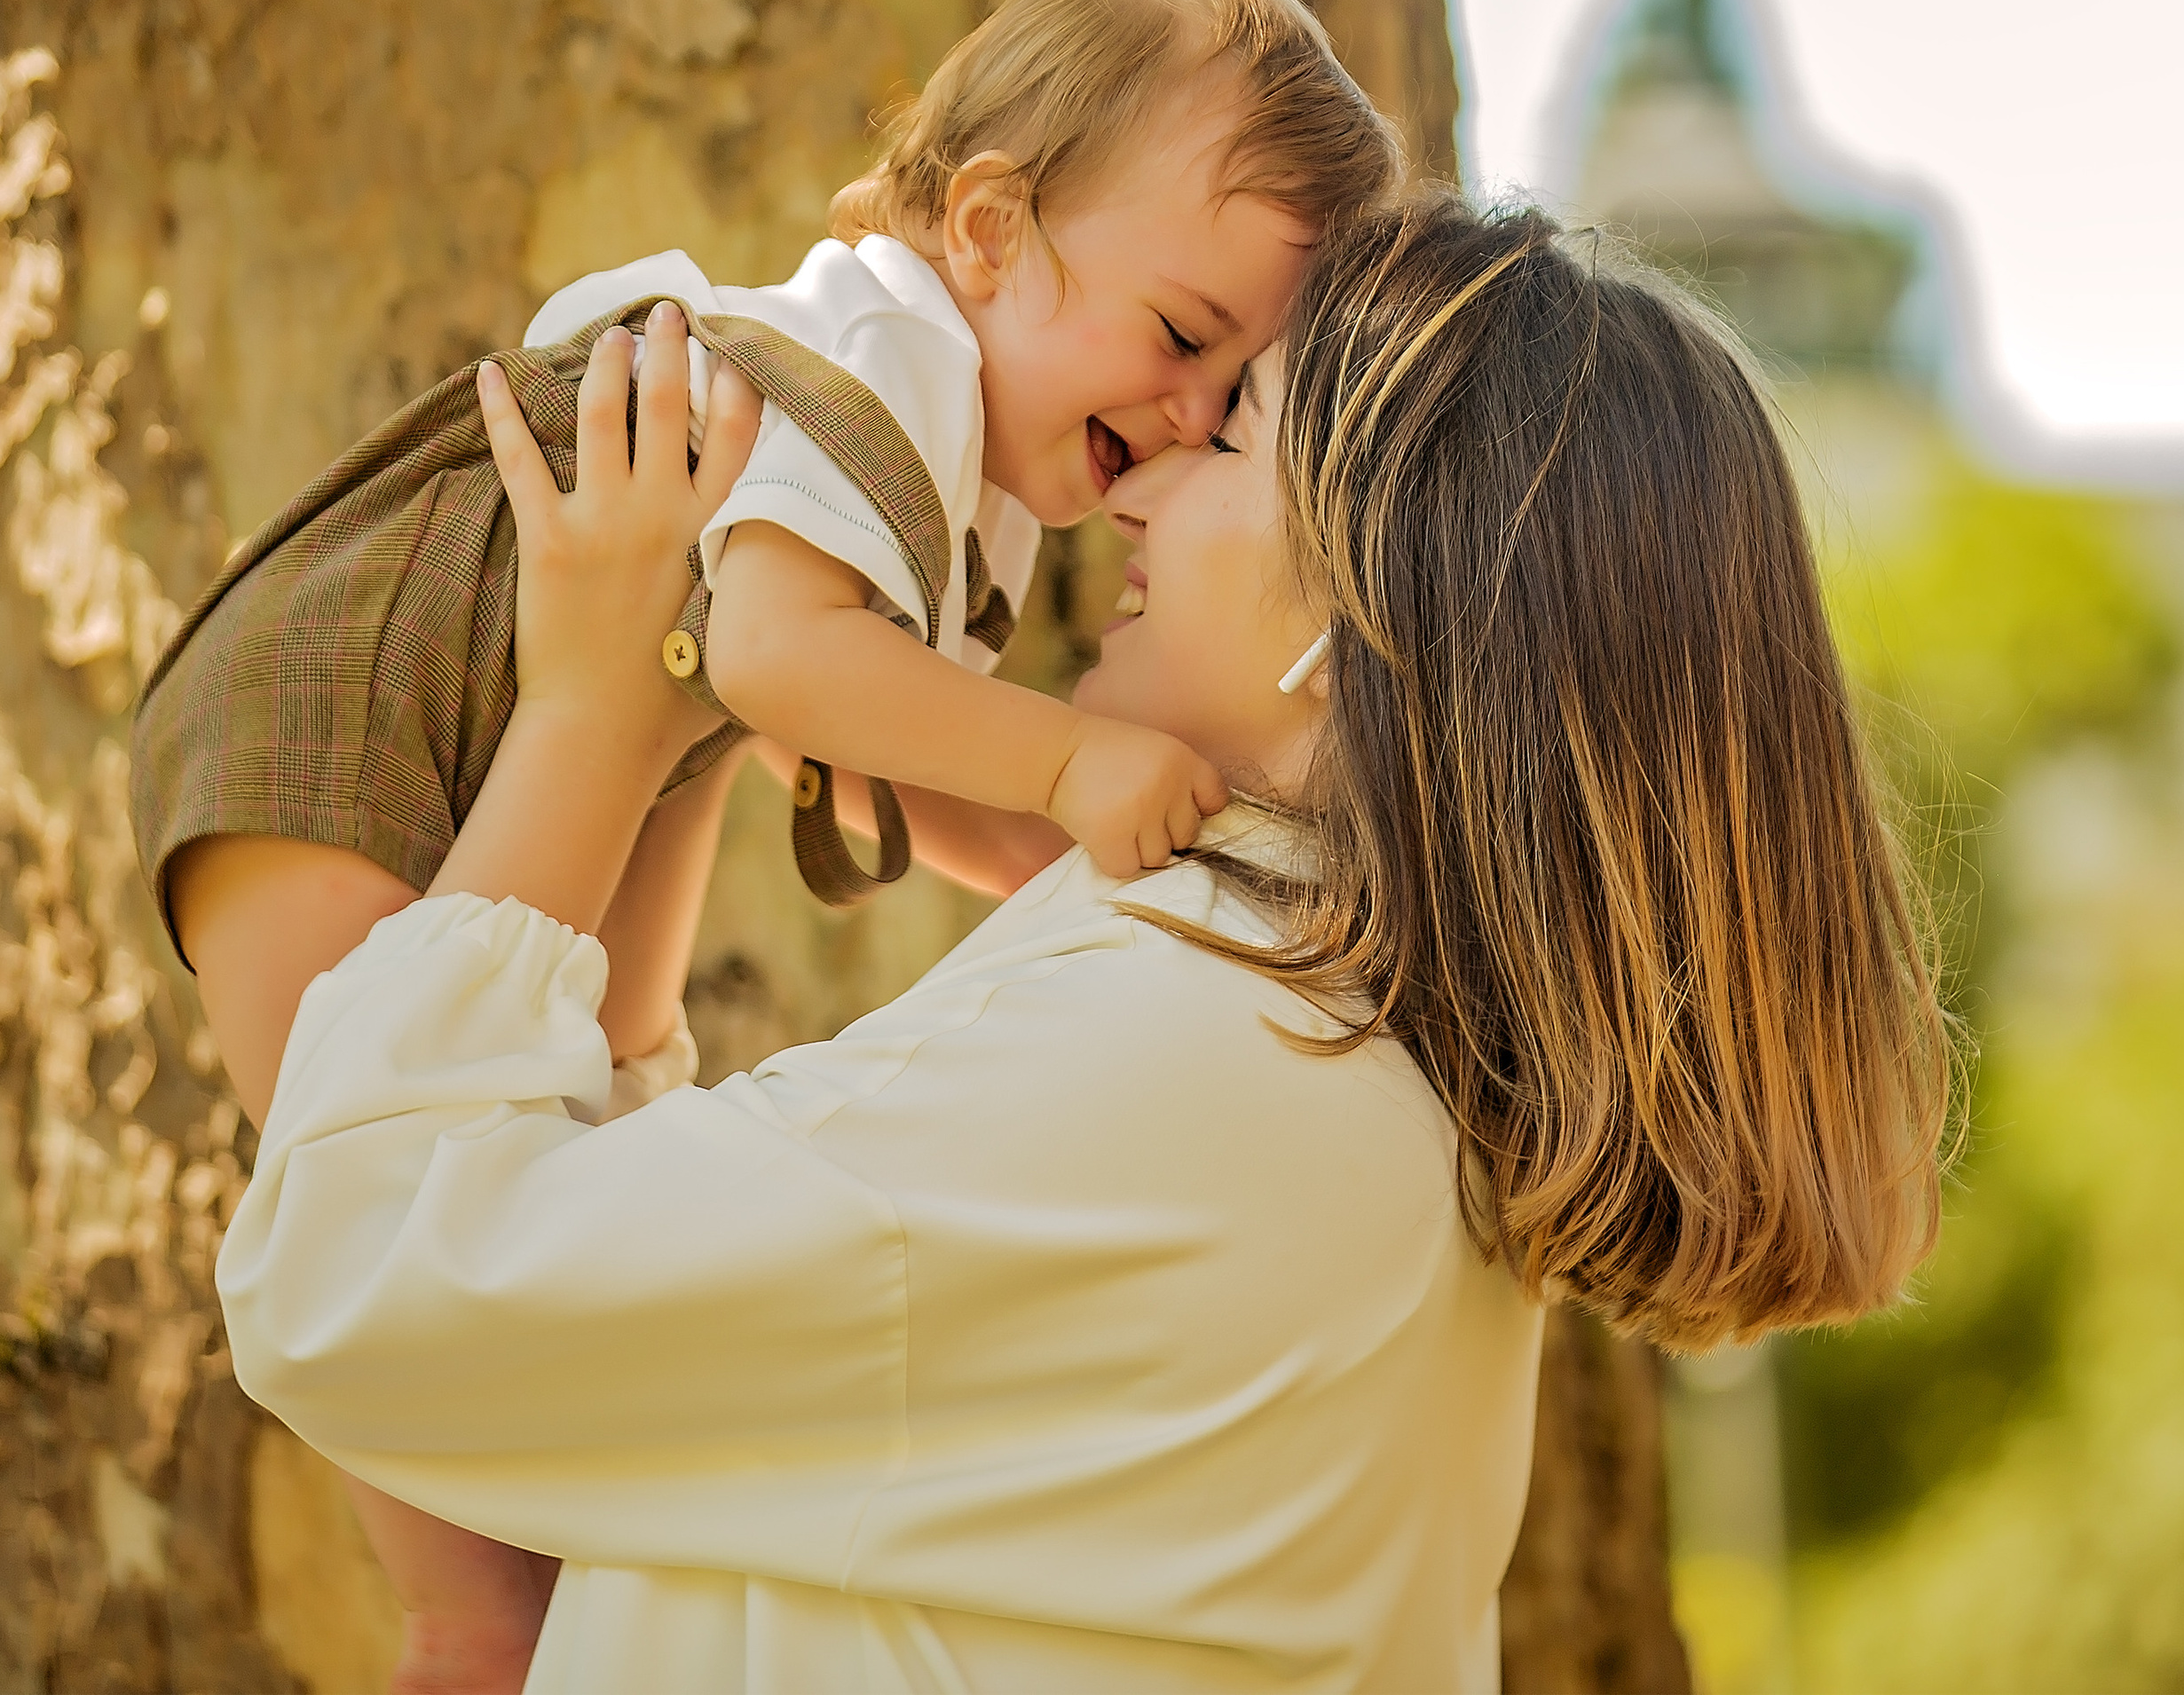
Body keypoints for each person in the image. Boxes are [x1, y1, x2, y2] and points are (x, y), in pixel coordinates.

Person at [214, 197, 1951, 1694]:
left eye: (1225, 433)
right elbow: (653, 1333)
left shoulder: (1198, 1049)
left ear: (1366, 596)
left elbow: (359, 1283)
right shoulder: (1343, 1054)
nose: (1132, 484)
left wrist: (597, 703)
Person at [133, 0, 1405, 1684]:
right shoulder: (881, 353)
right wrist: (1073, 764)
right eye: (1182, 336)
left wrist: (1114, 869)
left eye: (1235, 391)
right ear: (987, 231)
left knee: (540, 1191)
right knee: (419, 1375)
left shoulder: (974, 475)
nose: (1186, 420)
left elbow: (903, 763)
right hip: (331, 706)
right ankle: (452, 1625)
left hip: (521, 733)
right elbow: (776, 661)